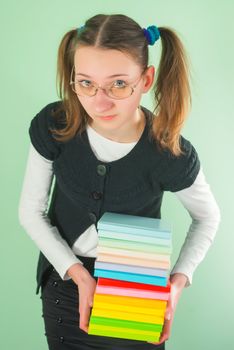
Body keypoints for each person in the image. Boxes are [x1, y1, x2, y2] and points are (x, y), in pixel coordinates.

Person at [18, 13, 221, 350]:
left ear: (145, 79)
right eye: (85, 83)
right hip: (67, 285)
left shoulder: (169, 151)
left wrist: (176, 284)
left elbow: (207, 217)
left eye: (118, 84)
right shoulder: (54, 124)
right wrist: (79, 276)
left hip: (137, 290)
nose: (100, 101)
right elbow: (30, 211)